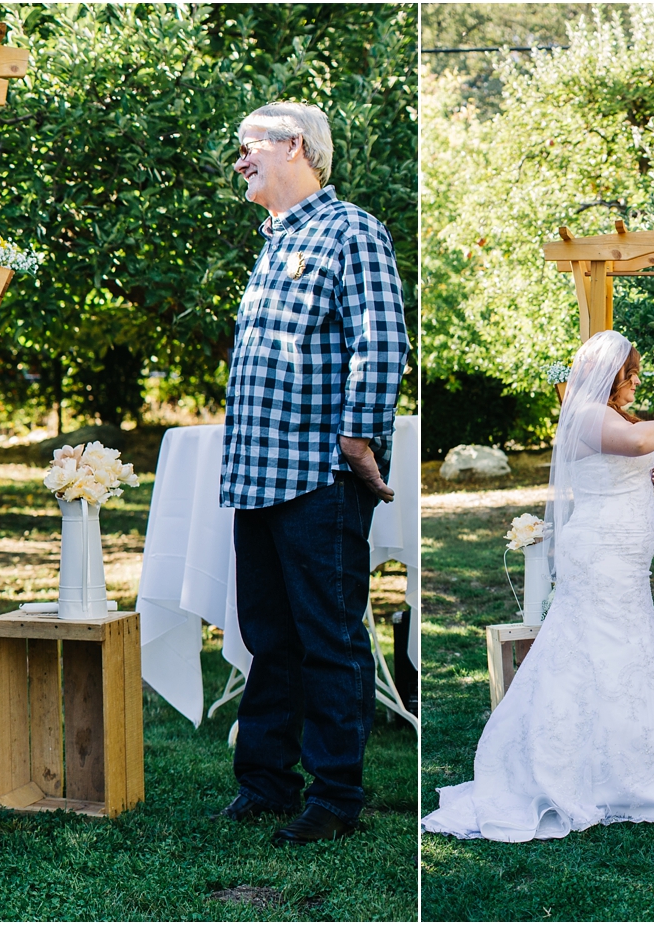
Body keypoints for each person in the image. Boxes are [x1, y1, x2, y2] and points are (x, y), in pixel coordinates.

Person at [422, 330, 654, 842]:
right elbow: (632, 442)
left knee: (629, 648)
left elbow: (630, 454)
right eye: (629, 375)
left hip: (626, 557)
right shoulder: (585, 412)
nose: (634, 383)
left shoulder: (616, 416)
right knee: (593, 647)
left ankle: (636, 763)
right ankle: (582, 770)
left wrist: (652, 476)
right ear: (609, 376)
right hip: (600, 552)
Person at [214, 101, 408, 848]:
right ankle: (265, 782)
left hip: (317, 474)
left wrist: (359, 436)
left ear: (295, 146)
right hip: (257, 475)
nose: (240, 161)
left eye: (248, 146)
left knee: (328, 638)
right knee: (269, 638)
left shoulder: (350, 229)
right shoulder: (274, 241)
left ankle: (335, 796)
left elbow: (380, 339)